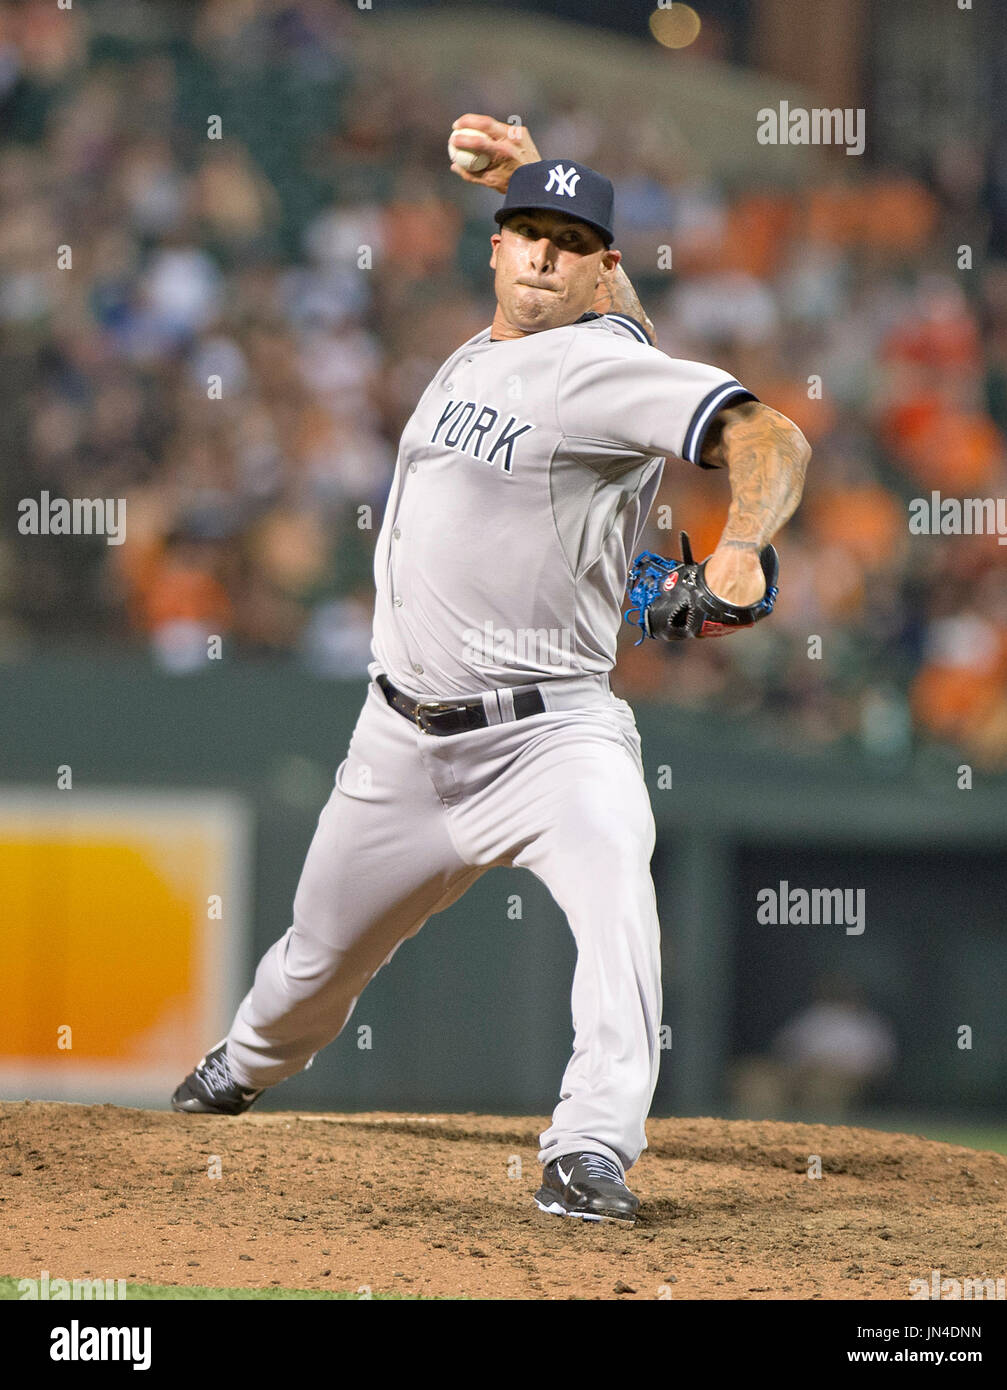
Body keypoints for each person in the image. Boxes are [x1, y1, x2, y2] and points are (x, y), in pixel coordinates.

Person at [172, 115, 811, 1225]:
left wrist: (744, 540)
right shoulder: (488, 349)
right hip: (400, 741)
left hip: (550, 736)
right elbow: (629, 340)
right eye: (527, 230)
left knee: (619, 897)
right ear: (496, 245)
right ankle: (243, 1066)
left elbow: (770, 438)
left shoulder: (601, 368)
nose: (545, 254)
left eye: (572, 239)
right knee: (309, 968)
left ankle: (590, 1149)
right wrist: (529, 170)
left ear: (606, 264)